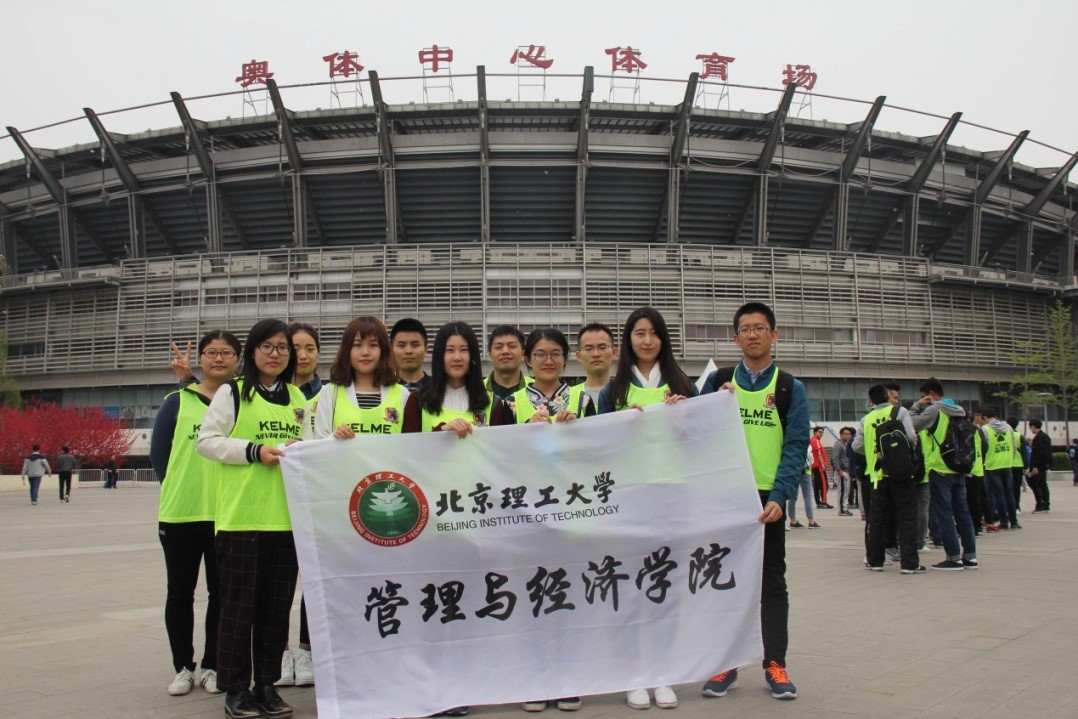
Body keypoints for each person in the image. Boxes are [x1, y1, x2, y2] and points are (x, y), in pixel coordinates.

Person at [196, 319, 310, 719]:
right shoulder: (233, 392)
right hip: (242, 519)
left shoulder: (297, 396)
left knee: (275, 611)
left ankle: (266, 685)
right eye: (267, 346)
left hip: (285, 520)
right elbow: (207, 442)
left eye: (282, 347)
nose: (275, 354)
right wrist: (254, 451)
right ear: (253, 351)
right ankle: (235, 689)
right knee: (237, 609)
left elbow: (307, 446)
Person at [400, 321, 509, 718]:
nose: (457, 357)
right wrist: (440, 433)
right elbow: (405, 456)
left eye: (464, 350)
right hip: (431, 522)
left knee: (468, 604)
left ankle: (462, 685)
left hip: (476, 521)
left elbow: (506, 462)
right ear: (439, 355)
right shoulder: (418, 402)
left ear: (474, 356)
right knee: (432, 604)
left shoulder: (494, 405)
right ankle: (431, 687)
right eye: (450, 350)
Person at [699, 301, 806, 701]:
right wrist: (709, 401)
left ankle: (775, 662)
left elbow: (795, 446)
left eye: (760, 328)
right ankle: (726, 663)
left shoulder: (789, 387)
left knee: (771, 581)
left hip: (766, 502)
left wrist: (781, 495)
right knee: (724, 580)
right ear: (735, 338)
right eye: (745, 329)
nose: (753, 334)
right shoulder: (719, 381)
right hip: (725, 497)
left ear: (773, 335)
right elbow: (691, 428)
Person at [598, 307, 695, 710]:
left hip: (672, 496)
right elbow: (599, 447)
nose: (647, 340)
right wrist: (621, 426)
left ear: (664, 339)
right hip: (629, 498)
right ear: (628, 340)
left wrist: (684, 418)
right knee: (630, 585)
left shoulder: (683, 385)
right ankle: (634, 672)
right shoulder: (614, 390)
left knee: (666, 584)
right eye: (639, 333)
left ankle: (664, 671)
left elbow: (699, 440)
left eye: (654, 333)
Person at [151, 330, 241, 697]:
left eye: (226, 352)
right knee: (180, 593)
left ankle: (212, 665)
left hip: (227, 515)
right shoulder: (177, 401)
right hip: (181, 514)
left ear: (238, 360)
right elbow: (159, 455)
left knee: (222, 594)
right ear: (201, 359)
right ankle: (182, 668)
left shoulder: (243, 400)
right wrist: (181, 486)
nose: (218, 358)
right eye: (211, 352)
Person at [909, 378, 977, 571]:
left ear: (931, 394)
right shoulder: (959, 410)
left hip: (940, 468)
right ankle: (970, 557)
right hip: (959, 467)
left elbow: (911, 424)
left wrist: (916, 406)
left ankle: (953, 557)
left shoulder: (935, 410)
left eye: (924, 396)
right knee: (963, 513)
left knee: (944, 514)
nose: (923, 400)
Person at [854, 384, 922, 574]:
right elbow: (912, 438)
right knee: (907, 517)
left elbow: (856, 446)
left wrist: (873, 450)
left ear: (871, 401)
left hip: (876, 475)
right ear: (887, 396)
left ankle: (875, 561)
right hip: (900, 473)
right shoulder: (900, 412)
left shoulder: (866, 419)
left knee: (877, 519)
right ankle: (909, 563)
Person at [316, 315, 407, 440]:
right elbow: (318, 442)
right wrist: (335, 437)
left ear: (383, 350)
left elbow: (410, 444)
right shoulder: (330, 393)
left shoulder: (401, 394)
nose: (365, 352)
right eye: (357, 345)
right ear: (347, 350)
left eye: (373, 345)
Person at [512, 328, 594, 425]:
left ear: (565, 359)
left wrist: (576, 426)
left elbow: (594, 434)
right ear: (528, 360)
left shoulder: (584, 400)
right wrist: (527, 428)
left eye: (556, 354)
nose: (549, 362)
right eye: (540, 355)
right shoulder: (512, 403)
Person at [977, 407, 1019, 530]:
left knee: (998, 495)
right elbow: (1014, 445)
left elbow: (984, 446)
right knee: (1009, 494)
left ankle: (1004, 522)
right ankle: (1014, 522)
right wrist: (1010, 458)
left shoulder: (985, 429)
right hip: (1007, 463)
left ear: (985, 417)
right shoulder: (1008, 427)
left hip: (992, 464)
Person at [484, 325, 532, 408]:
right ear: (490, 355)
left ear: (523, 354)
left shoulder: (536, 388)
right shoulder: (475, 391)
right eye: (498, 347)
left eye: (512, 346)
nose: (505, 351)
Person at [574, 323, 618, 408]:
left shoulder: (629, 392)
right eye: (588, 349)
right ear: (579, 356)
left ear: (614, 353)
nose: (596, 354)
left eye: (602, 348)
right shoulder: (568, 396)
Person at [391, 317, 431, 392]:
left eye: (415, 345)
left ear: (426, 350)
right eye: (401, 345)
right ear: (391, 350)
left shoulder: (439, 388)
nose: (408, 351)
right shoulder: (382, 388)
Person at [786, 451, 820, 529]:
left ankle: (792, 520)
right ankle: (811, 521)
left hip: (793, 470)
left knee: (792, 497)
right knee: (807, 496)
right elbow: (810, 456)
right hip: (805, 470)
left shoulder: (790, 445)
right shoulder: (805, 444)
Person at [1028, 419, 1052, 512]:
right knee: (1042, 483)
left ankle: (1040, 504)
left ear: (1033, 426)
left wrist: (1035, 466)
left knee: (1035, 484)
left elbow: (1039, 453)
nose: (1030, 429)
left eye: (1030, 427)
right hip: (1044, 464)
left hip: (1038, 465)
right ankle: (1046, 504)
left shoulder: (1038, 438)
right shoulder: (1046, 436)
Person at [809, 427, 832, 508]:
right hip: (819, 466)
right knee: (823, 484)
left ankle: (818, 502)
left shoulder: (813, 440)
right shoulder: (815, 440)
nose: (821, 433)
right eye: (819, 432)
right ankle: (823, 502)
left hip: (815, 465)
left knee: (817, 485)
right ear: (814, 432)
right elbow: (817, 452)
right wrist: (822, 463)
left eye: (822, 432)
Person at [832, 428, 853, 516]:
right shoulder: (839, 444)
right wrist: (838, 469)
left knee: (846, 490)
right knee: (842, 490)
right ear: (841, 435)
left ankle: (844, 507)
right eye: (846, 434)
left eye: (849, 434)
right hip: (842, 470)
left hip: (847, 469)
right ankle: (842, 509)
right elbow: (835, 457)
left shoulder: (847, 444)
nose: (848, 435)